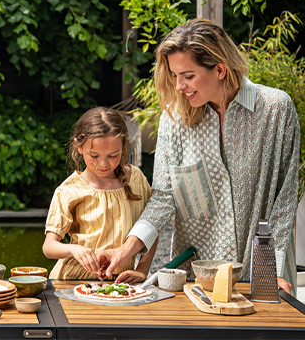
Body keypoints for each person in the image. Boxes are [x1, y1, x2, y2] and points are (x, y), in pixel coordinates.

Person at [96, 18, 300, 294]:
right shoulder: (174, 119)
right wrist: (126, 248)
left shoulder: (275, 110)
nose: (179, 86)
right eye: (174, 75)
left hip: (261, 276)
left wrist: (270, 270)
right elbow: (164, 198)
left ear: (219, 69)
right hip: (198, 281)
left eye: (188, 76)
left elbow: (284, 200)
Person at [42, 107, 157, 283]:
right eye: (94, 155)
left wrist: (142, 269)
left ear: (123, 147)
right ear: (79, 147)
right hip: (71, 282)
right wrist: (74, 249)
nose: (103, 164)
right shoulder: (68, 190)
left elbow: (152, 228)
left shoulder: (137, 180)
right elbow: (49, 247)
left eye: (113, 155)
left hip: (120, 284)